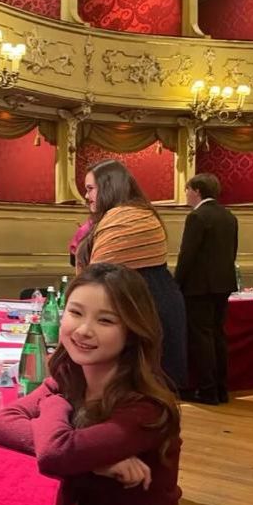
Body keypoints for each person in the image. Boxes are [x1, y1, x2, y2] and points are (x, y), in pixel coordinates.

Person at [0, 263, 206, 505]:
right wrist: (93, 460)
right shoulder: (72, 377)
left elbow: (57, 452)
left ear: (132, 331)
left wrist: (55, 409)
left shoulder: (146, 407)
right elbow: (1, 422)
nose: (84, 330)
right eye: (75, 313)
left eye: (105, 320)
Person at [75, 159, 187, 392]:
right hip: (133, 305)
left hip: (143, 311)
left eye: (90, 189)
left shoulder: (128, 217)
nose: (86, 196)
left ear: (109, 187)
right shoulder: (123, 215)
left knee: (138, 396)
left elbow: (96, 279)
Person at [175, 173, 238, 405]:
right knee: (218, 335)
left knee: (201, 338)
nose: (186, 194)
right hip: (223, 284)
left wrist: (176, 283)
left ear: (197, 191)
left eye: (187, 190)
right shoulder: (229, 216)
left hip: (199, 288)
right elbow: (232, 252)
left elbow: (187, 255)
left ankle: (208, 390)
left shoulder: (197, 216)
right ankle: (221, 389)